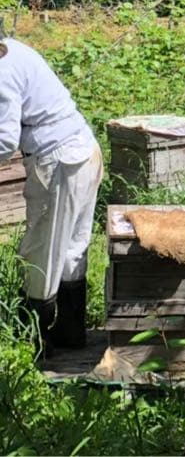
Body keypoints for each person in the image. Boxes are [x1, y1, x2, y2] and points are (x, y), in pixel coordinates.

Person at [0, 35, 102, 354]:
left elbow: (4, 140)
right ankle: (69, 335)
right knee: (71, 250)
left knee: (40, 253)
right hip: (82, 150)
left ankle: (31, 346)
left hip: (58, 162)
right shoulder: (14, 49)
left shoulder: (2, 70)